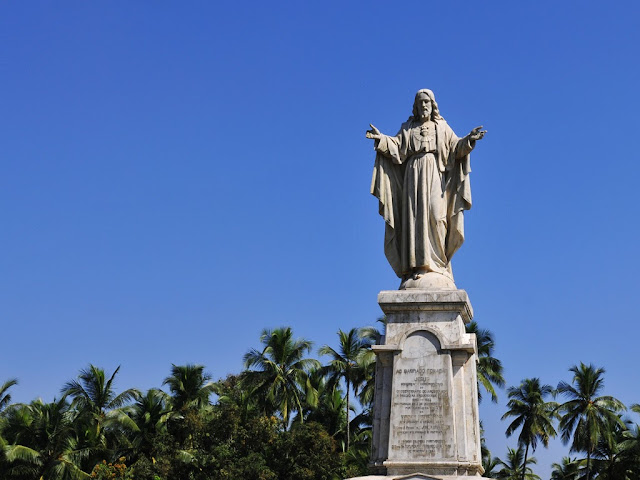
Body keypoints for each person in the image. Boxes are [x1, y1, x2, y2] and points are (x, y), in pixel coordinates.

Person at [366, 89, 486, 289]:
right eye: (420, 102)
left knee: (436, 216)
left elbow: (456, 147)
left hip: (434, 174)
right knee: (415, 219)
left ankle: (438, 265)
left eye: (426, 102)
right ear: (415, 106)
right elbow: (395, 146)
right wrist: (381, 140)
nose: (423, 106)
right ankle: (417, 266)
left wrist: (469, 140)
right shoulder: (408, 128)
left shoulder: (442, 127)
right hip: (412, 175)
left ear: (433, 105)